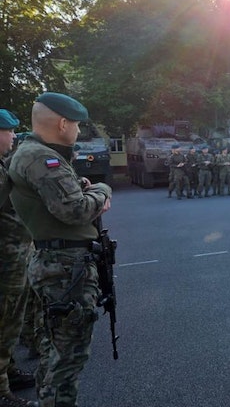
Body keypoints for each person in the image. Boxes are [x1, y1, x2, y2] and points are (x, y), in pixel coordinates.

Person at [8, 92, 112, 407]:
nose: (79, 131)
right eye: (77, 125)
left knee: (55, 351)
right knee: (69, 357)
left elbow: (61, 196)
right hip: (65, 267)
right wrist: (103, 190)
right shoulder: (41, 157)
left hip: (58, 264)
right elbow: (75, 210)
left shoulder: (35, 154)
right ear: (63, 123)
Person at [0, 109, 38, 407]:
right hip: (5, 260)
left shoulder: (3, 164)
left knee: (11, 319)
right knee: (4, 320)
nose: (13, 136)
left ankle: (7, 371)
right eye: (9, 131)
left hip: (15, 256)